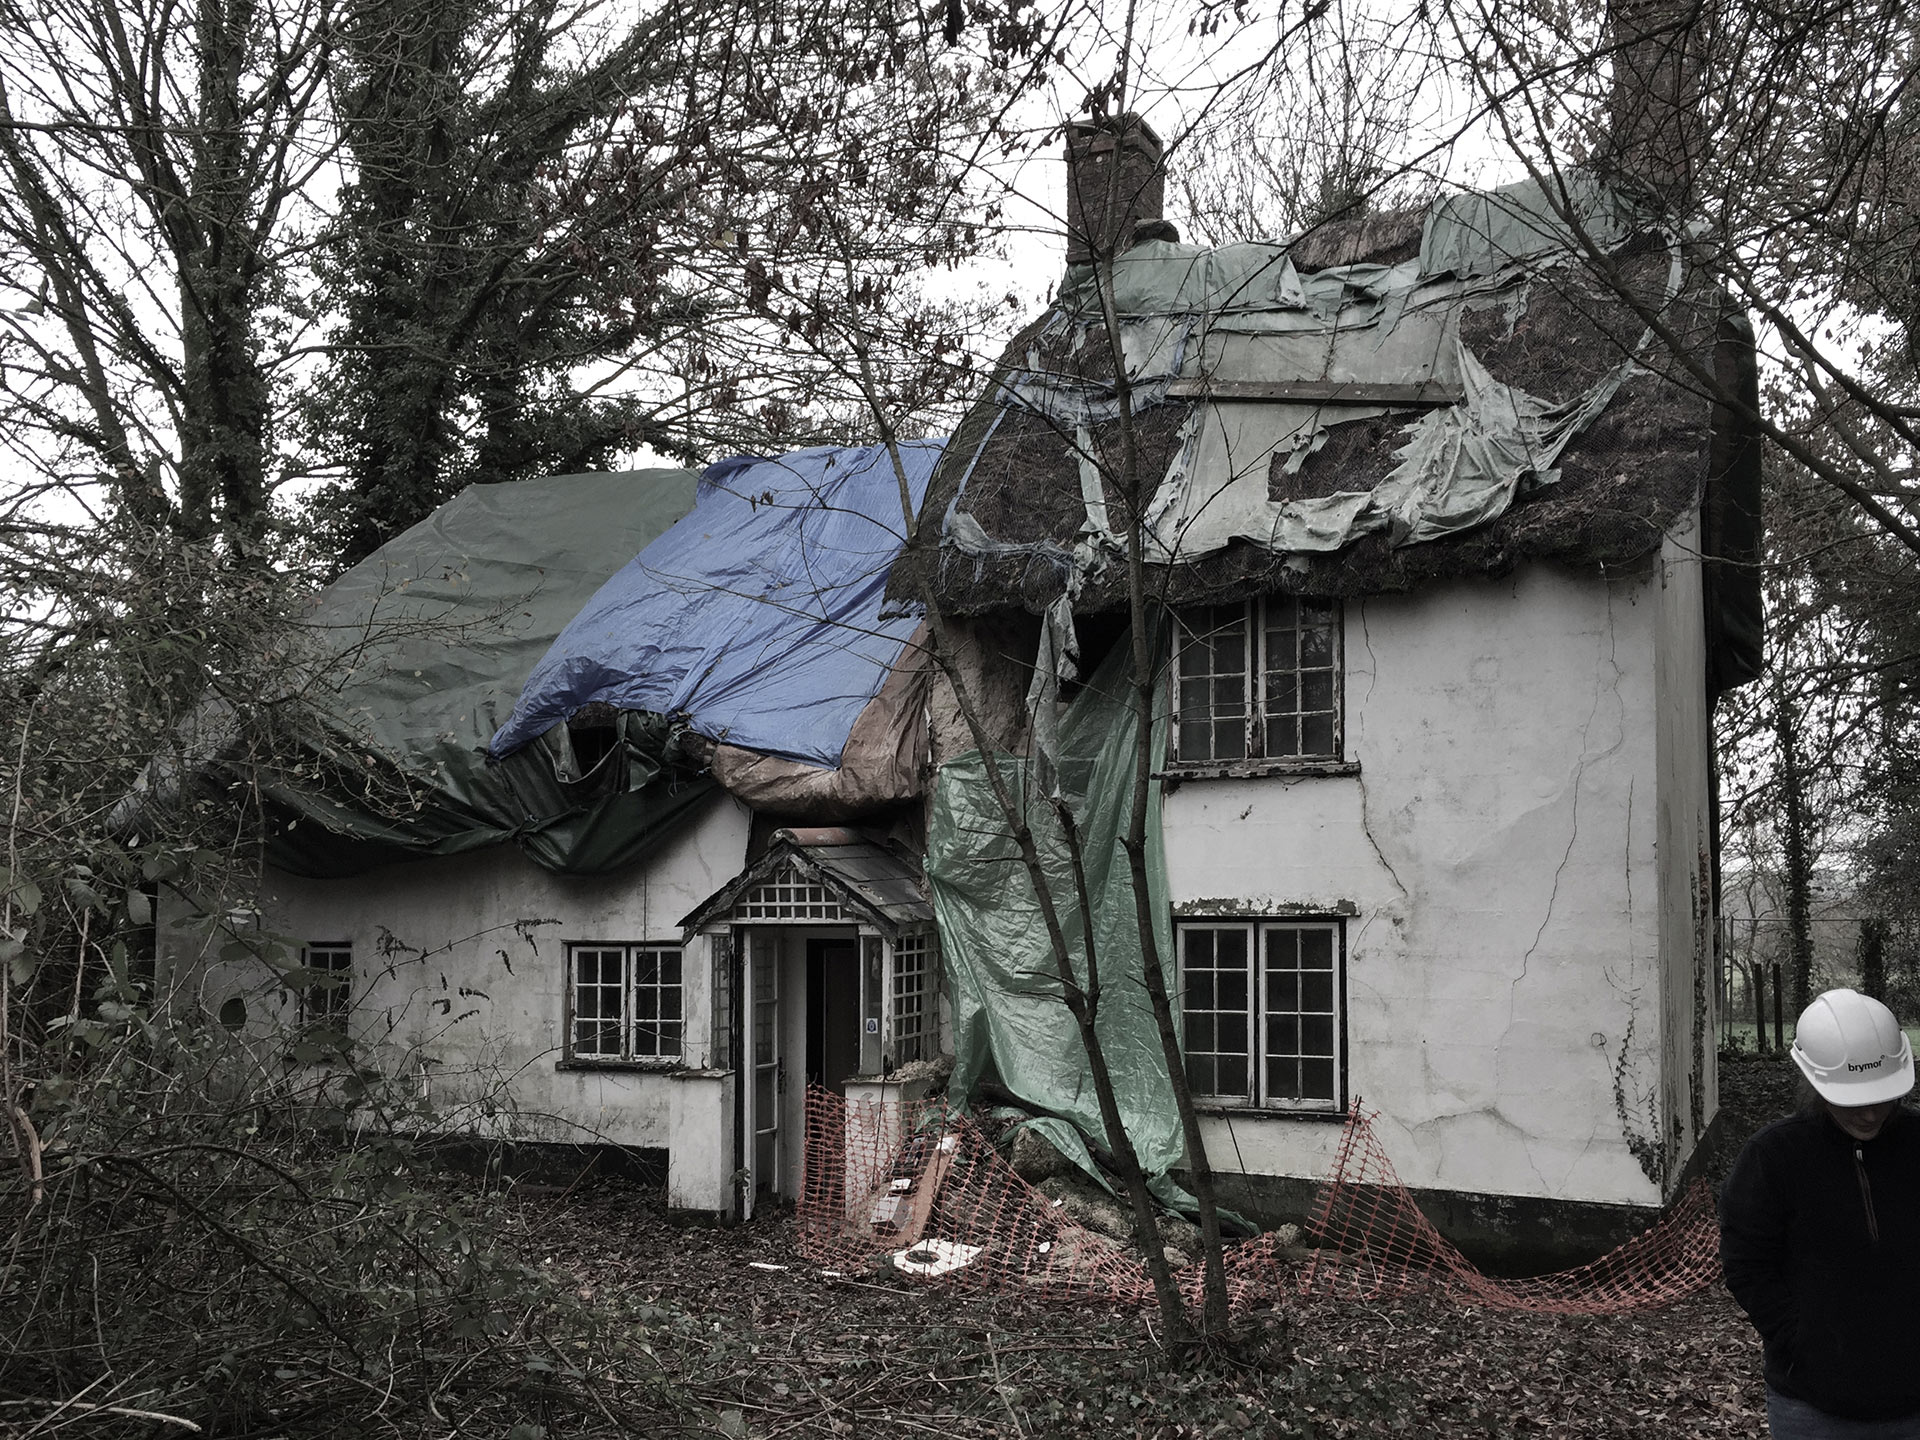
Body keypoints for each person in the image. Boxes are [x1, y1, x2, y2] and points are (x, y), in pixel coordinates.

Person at [1721, 987, 1920, 1437]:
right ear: (1812, 1083)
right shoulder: (1773, 1157)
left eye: (1882, 1097)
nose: (1870, 1116)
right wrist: (1801, 1339)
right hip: (1811, 1406)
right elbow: (1746, 1263)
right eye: (1852, 1100)